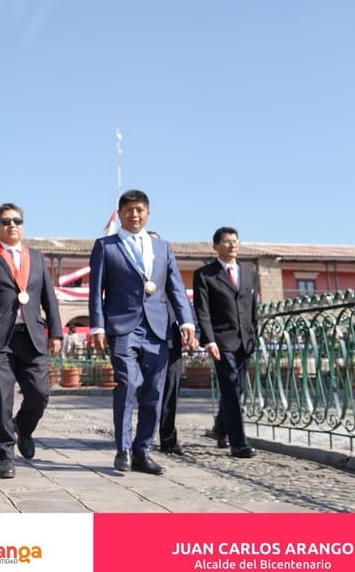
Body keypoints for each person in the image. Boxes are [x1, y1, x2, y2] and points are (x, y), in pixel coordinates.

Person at [88, 189, 196, 475]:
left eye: (139, 210)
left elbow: (175, 288)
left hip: (158, 329)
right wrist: (97, 325)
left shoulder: (163, 248)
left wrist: (187, 322)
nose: (134, 215)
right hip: (123, 327)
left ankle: (142, 450)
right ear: (120, 213)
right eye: (128, 210)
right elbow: (95, 290)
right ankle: (122, 448)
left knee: (154, 392)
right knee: (127, 384)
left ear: (147, 213)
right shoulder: (106, 246)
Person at [0, 203, 63, 479]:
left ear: (23, 225)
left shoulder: (37, 258)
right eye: (5, 221)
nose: (12, 226)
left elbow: (49, 298)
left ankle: (24, 428)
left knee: (40, 393)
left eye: (17, 221)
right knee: (1, 396)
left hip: (32, 338)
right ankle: (5, 453)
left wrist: (56, 332)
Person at [192, 226, 259, 459]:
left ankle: (220, 427)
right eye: (228, 241)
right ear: (216, 246)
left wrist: (255, 335)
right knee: (231, 386)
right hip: (221, 341)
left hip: (245, 340)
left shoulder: (249, 272)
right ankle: (238, 443)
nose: (233, 245)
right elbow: (202, 311)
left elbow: (252, 307)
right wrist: (208, 340)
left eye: (236, 240)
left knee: (236, 388)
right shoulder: (204, 274)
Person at [149, 231, 185, 456]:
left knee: (171, 390)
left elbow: (182, 301)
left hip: (170, 339)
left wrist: (193, 329)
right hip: (142, 339)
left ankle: (168, 437)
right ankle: (141, 436)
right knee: (145, 390)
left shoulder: (169, 270)